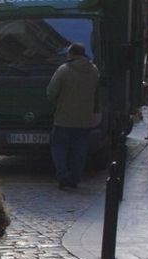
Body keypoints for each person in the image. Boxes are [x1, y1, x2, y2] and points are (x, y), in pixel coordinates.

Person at [46, 43, 101, 190]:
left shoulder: (63, 70)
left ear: (71, 54)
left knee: (59, 147)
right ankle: (75, 178)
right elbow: (96, 93)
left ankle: (63, 176)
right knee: (80, 151)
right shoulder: (94, 71)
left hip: (63, 118)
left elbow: (51, 93)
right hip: (84, 119)